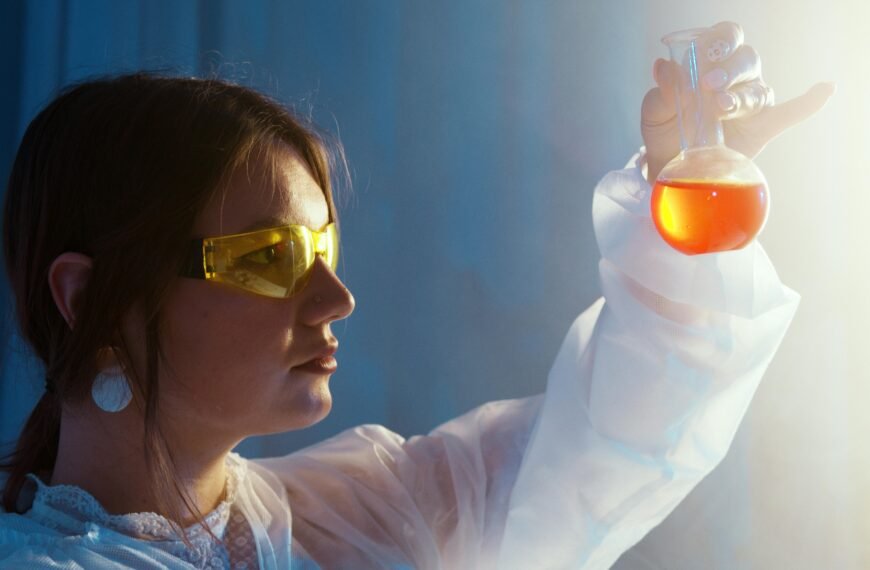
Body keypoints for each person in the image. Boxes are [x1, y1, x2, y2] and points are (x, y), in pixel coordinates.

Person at [0, 22, 832, 570]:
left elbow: (619, 440)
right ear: (92, 298)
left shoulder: (374, 516)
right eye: (269, 256)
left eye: (324, 249)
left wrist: (690, 202)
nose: (336, 297)